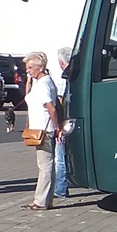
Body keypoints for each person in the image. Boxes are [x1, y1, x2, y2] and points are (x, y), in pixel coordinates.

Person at [21, 51, 61, 210]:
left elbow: (51, 108)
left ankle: (41, 201)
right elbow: (29, 98)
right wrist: (28, 83)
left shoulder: (43, 84)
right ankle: (46, 199)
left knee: (45, 165)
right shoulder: (41, 82)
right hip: (40, 128)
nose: (28, 70)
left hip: (43, 130)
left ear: (41, 67)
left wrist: (57, 126)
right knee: (46, 164)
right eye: (27, 67)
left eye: (31, 67)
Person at [54, 45, 72, 199]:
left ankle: (60, 188)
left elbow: (59, 102)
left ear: (61, 62)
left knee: (60, 157)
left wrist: (58, 124)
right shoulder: (76, 75)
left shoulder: (63, 77)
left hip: (64, 121)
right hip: (74, 120)